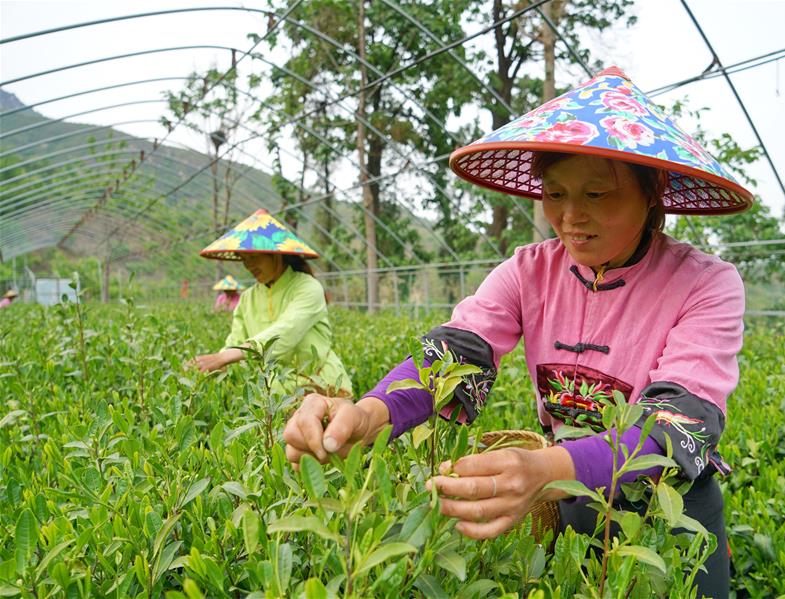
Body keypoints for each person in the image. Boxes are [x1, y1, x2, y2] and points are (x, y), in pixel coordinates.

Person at [282, 67, 751, 597]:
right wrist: (370, 412)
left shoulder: (706, 283)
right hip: (568, 496)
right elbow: (457, 354)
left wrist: (544, 470)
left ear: (653, 191)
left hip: (672, 513)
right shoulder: (529, 270)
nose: (571, 217)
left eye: (598, 194)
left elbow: (678, 423)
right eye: (554, 194)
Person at [191, 209, 352, 397]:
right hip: (273, 393)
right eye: (244, 259)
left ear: (275, 255)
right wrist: (214, 364)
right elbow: (235, 341)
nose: (249, 265)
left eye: (254, 257)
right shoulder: (247, 298)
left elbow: (286, 330)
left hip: (321, 384)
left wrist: (226, 356)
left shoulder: (307, 287)